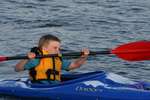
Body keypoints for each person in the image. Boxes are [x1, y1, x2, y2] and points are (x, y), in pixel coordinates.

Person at [15, 34, 89, 84]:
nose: (58, 50)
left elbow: (75, 65)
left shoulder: (57, 59)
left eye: (58, 48)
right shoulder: (37, 59)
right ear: (45, 48)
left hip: (56, 86)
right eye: (55, 48)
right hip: (39, 86)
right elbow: (17, 69)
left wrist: (83, 57)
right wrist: (26, 59)